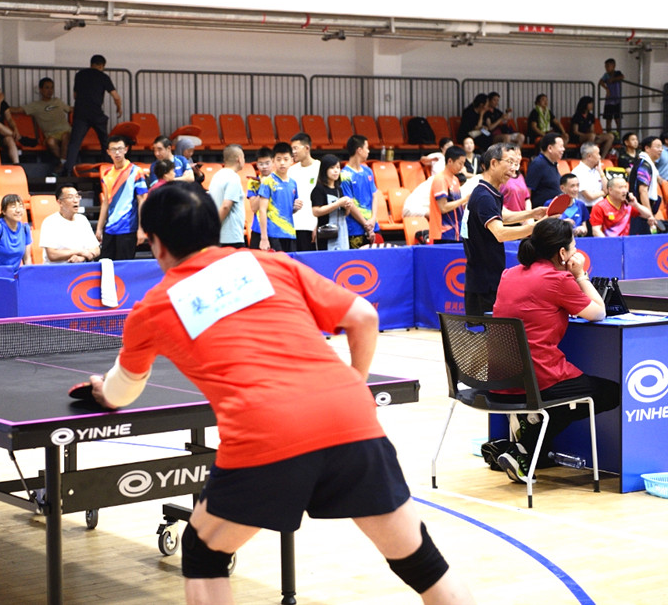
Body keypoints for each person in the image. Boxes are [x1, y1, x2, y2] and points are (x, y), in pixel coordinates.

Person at [87, 182, 473, 605]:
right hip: (351, 418)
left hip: (265, 432)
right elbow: (363, 316)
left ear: (157, 244)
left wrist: (104, 392)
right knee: (422, 564)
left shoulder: (152, 308)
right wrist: (354, 385)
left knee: (204, 553)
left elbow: (123, 393)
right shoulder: (269, 264)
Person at [490, 218, 620, 483]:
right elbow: (599, 312)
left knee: (564, 397)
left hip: (500, 379)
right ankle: (524, 446)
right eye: (574, 247)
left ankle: (530, 430)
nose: (576, 252)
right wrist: (580, 275)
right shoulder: (558, 279)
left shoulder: (508, 274)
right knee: (609, 393)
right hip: (537, 378)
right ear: (562, 253)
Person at [461, 143, 547, 316]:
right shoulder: (484, 197)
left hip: (483, 276)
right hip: (484, 282)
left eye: (516, 164)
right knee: (485, 330)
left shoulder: (487, 192)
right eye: (510, 162)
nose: (514, 169)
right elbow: (500, 233)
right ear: (493, 163)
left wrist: (532, 213)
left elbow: (502, 216)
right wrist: (535, 227)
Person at [65, 54, 123, 176]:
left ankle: (68, 171)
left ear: (91, 64)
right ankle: (108, 168)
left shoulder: (80, 75)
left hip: (80, 113)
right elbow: (115, 96)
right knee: (105, 142)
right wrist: (119, 108)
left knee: (75, 143)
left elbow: (75, 95)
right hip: (96, 113)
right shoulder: (103, 77)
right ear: (102, 66)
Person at [95, 135, 148, 260]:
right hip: (110, 228)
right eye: (113, 149)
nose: (117, 152)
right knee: (106, 265)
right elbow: (106, 202)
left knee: (124, 267)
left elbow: (142, 201)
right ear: (108, 152)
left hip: (128, 228)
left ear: (126, 149)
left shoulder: (136, 171)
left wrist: (141, 229)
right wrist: (99, 228)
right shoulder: (106, 173)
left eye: (120, 148)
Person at [9, 77, 72, 164]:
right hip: (51, 135)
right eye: (47, 87)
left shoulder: (57, 101)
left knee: (65, 136)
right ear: (40, 90)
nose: (50, 90)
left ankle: (62, 164)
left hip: (67, 131)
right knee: (50, 142)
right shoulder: (35, 105)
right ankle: (66, 163)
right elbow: (17, 110)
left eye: (52, 87)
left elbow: (70, 109)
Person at [256, 142, 300, 253]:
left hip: (290, 233)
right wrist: (264, 238)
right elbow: (262, 210)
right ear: (273, 161)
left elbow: (289, 209)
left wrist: (296, 208)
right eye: (279, 159)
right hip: (273, 233)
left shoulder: (293, 183)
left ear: (292, 160)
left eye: (286, 159)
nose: (282, 163)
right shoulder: (268, 181)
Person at [38, 184, 100, 263]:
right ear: (60, 202)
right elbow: (52, 255)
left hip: (81, 267)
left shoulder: (82, 220)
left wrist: (82, 257)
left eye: (77, 196)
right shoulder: (50, 222)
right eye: (70, 197)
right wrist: (78, 252)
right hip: (58, 268)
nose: (75, 200)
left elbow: (96, 249)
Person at [341, 135, 380, 249]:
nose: (368, 151)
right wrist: (365, 224)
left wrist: (372, 220)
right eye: (367, 148)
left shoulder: (368, 171)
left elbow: (375, 196)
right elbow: (349, 203)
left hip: (373, 226)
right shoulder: (345, 175)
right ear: (359, 150)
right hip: (355, 229)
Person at [207, 144, 247, 247]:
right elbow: (226, 206)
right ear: (239, 159)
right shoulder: (233, 178)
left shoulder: (216, 176)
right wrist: (215, 225)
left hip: (219, 237)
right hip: (232, 237)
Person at [310, 154, 353, 250]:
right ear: (324, 170)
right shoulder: (319, 189)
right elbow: (316, 211)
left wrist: (347, 207)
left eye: (338, 167)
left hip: (341, 234)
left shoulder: (339, 189)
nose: (336, 170)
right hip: (326, 235)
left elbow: (345, 214)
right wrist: (338, 203)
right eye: (332, 168)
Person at [589, 175, 655, 237]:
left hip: (625, 243)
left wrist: (636, 204)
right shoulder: (599, 207)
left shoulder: (628, 204)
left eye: (625, 187)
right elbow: (596, 231)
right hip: (608, 242)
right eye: (620, 187)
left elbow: (648, 215)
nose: (624, 191)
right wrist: (608, 243)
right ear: (610, 190)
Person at [428, 146, 469, 243]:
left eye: (463, 164)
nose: (462, 167)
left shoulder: (455, 180)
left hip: (457, 232)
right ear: (450, 161)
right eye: (460, 163)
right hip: (443, 233)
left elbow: (456, 205)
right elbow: (443, 208)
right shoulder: (440, 179)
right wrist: (464, 199)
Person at [287, 132, 320, 251]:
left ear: (307, 148)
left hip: (312, 226)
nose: (293, 152)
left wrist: (318, 225)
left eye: (296, 148)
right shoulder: (291, 170)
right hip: (294, 226)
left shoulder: (319, 168)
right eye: (292, 149)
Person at [0, 194, 32, 267]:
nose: (18, 210)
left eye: (21, 206)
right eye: (13, 207)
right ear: (4, 211)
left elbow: (27, 258)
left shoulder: (25, 229)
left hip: (13, 273)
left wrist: (28, 273)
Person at [628, 136, 664, 234]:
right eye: (657, 147)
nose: (661, 150)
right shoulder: (644, 165)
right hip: (639, 213)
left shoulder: (648, 164)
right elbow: (643, 191)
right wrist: (649, 214)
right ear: (647, 148)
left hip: (643, 212)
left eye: (661, 147)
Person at [526, 132, 565, 208]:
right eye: (561, 146)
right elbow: (528, 190)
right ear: (550, 148)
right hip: (542, 211)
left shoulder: (553, 163)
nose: (563, 149)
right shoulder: (538, 163)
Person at [247, 147, 273, 250]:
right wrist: (263, 186)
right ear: (257, 165)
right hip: (258, 229)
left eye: (267, 163)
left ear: (273, 162)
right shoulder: (253, 182)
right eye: (261, 164)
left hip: (277, 229)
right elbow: (254, 207)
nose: (264, 167)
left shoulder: (279, 181)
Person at [571, 142, 608, 210]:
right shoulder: (578, 172)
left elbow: (607, 189)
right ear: (589, 156)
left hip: (601, 207)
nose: (600, 157)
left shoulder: (597, 170)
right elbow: (589, 196)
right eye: (598, 154)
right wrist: (603, 192)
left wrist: (600, 171)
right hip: (586, 209)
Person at [598, 58, 624, 134]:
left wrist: (613, 79)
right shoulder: (606, 75)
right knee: (608, 119)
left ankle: (618, 135)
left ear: (613, 66)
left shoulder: (617, 73)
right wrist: (607, 89)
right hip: (609, 101)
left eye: (608, 66)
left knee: (617, 119)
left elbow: (622, 77)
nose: (606, 68)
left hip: (617, 100)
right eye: (605, 66)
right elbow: (600, 82)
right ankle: (609, 135)